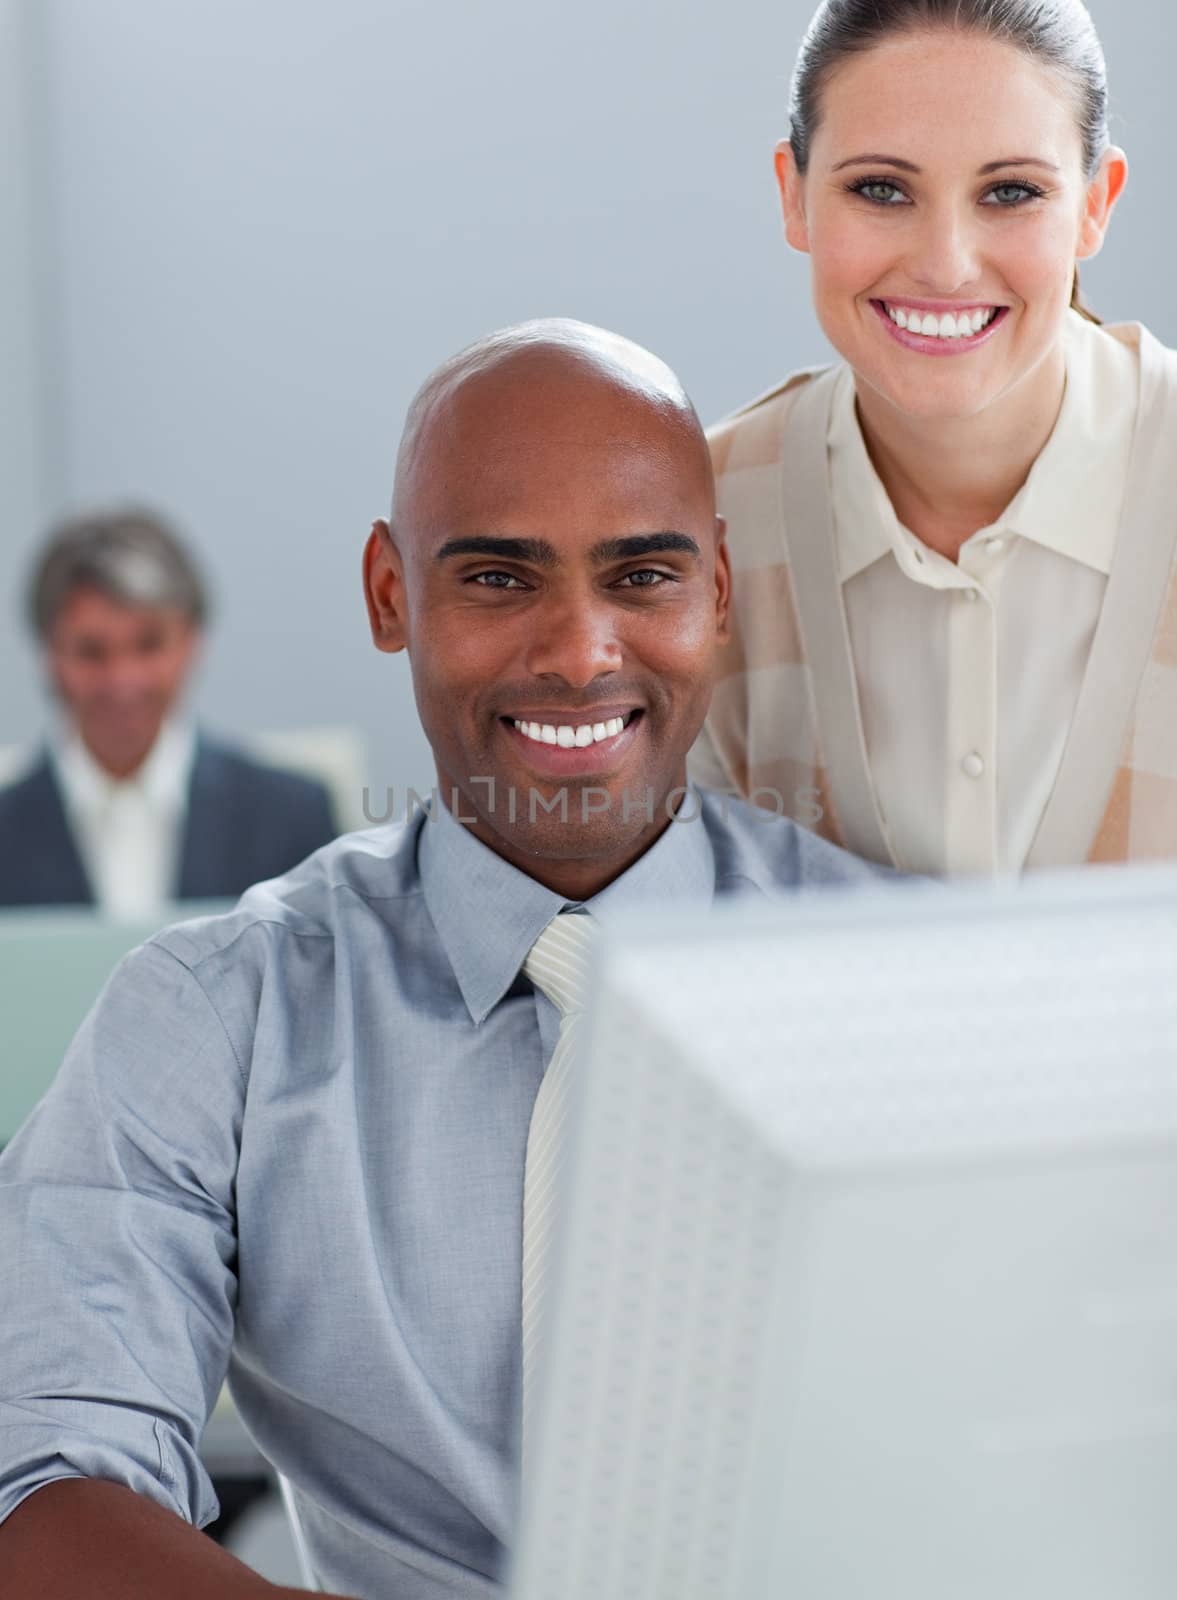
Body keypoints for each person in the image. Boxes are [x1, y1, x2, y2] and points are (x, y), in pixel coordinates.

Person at [0, 321, 882, 1600]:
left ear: (720, 592)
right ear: (388, 594)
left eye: (642, 576)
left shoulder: (903, 977)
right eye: (498, 579)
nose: (581, 652)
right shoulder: (218, 1019)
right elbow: (40, 1485)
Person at [692, 0, 1177, 877]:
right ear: (793, 195)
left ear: (1094, 206)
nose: (946, 263)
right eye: (880, 189)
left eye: (1011, 192)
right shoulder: (698, 524)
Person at [0, 508, 338, 914]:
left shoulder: (289, 818)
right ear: (50, 656)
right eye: (92, 652)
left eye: (149, 644)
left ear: (192, 643)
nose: (123, 679)